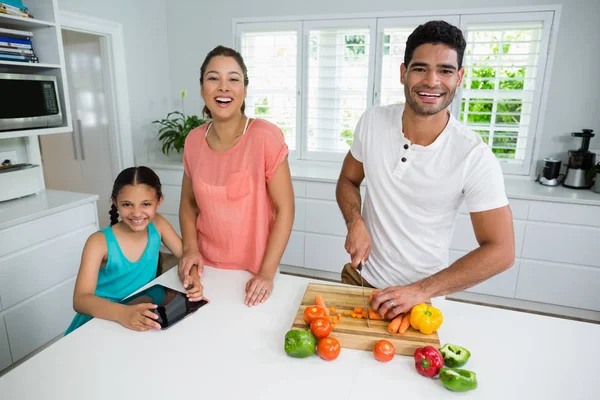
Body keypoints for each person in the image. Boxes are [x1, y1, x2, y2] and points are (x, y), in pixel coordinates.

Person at [335, 21, 515, 319]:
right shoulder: (372, 122)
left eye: (445, 70)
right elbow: (348, 179)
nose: (432, 81)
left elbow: (501, 251)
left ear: (459, 77)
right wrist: (355, 221)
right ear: (403, 72)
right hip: (360, 279)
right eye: (420, 68)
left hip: (420, 301)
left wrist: (420, 291)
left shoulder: (473, 155)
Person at [178, 45, 295, 307]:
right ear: (201, 88)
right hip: (206, 271)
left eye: (233, 79)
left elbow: (285, 209)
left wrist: (266, 273)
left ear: (244, 89)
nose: (223, 87)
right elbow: (188, 204)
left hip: (253, 274)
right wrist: (191, 249)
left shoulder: (265, 136)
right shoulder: (194, 140)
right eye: (213, 78)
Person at [65, 166, 203, 334]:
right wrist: (123, 313)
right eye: (127, 204)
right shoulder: (98, 242)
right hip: (102, 319)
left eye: (146, 204)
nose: (137, 213)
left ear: (159, 201)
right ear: (115, 202)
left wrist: (193, 278)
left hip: (138, 313)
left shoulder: (158, 225)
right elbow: (80, 300)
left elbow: (186, 256)